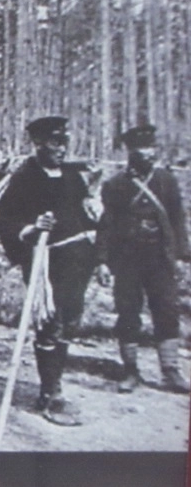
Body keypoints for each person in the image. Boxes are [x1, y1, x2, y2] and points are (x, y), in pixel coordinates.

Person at [0, 116, 97, 427]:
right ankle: (50, 392)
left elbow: (85, 214)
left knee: (71, 321)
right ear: (38, 144)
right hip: (45, 261)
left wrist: (94, 218)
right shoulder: (25, 177)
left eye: (64, 142)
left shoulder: (72, 176)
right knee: (50, 323)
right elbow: (5, 220)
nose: (61, 149)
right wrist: (31, 227)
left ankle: (55, 383)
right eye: (55, 143)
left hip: (77, 260)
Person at [97, 124, 191, 394]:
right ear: (130, 151)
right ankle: (130, 371)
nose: (148, 153)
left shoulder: (166, 180)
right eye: (141, 148)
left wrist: (182, 255)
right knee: (128, 312)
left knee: (167, 310)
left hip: (160, 258)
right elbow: (106, 224)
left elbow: (177, 219)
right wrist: (102, 260)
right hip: (127, 259)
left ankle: (171, 370)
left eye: (151, 147)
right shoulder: (115, 185)